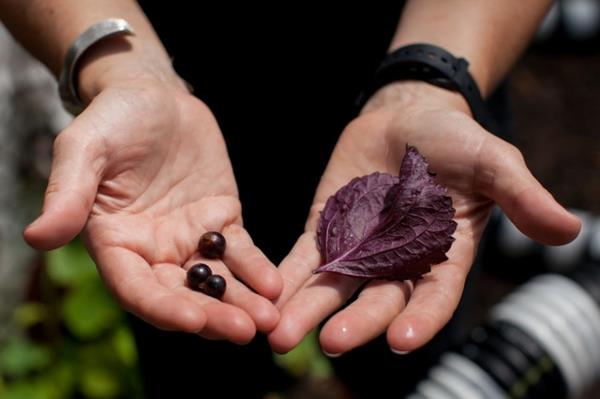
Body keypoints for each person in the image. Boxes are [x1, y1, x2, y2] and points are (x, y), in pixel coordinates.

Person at [0, 0, 581, 397]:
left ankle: (493, 238)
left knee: (399, 333)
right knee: (204, 352)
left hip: (415, 69)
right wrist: (121, 67)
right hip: (188, 125)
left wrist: (434, 74)